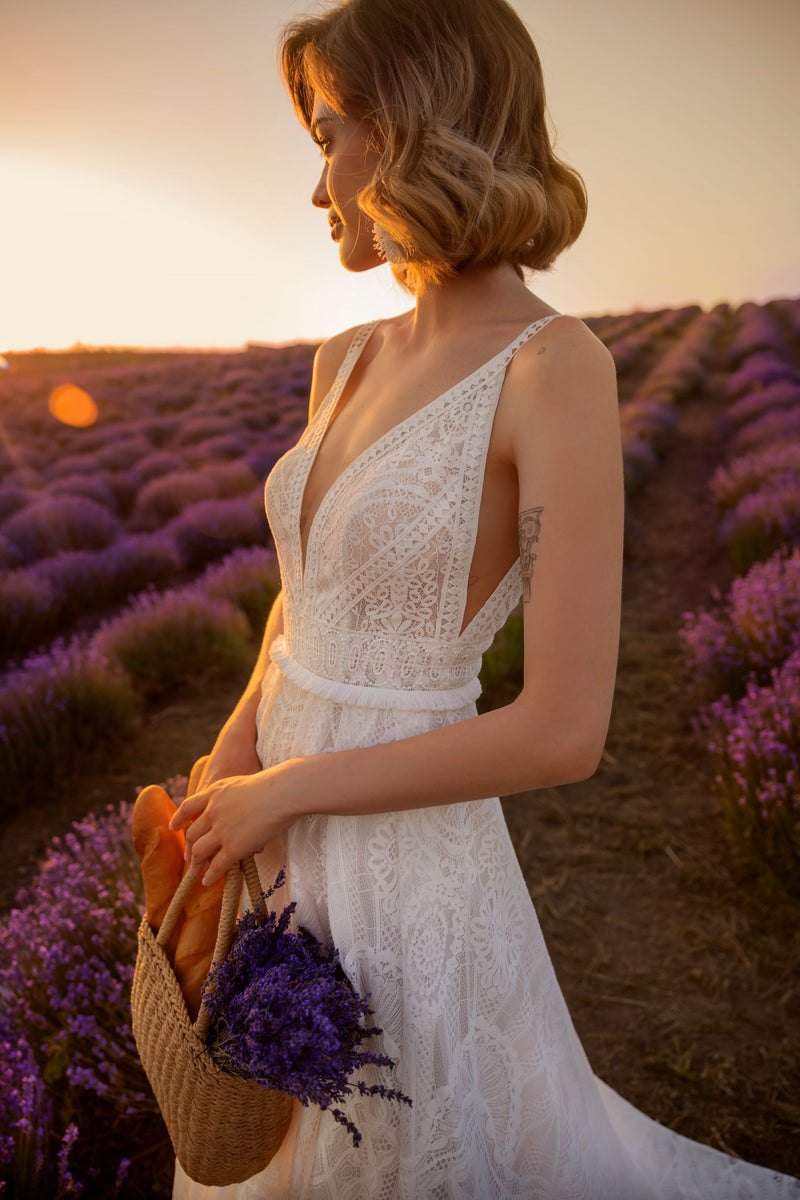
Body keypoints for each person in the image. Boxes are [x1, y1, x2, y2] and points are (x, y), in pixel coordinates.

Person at [168, 1, 800, 1196]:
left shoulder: (554, 369)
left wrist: (286, 791)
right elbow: (304, 592)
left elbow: (562, 733)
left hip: (406, 856)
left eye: (328, 135)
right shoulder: (341, 357)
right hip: (275, 826)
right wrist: (237, 740)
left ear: (413, 128)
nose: (317, 189)